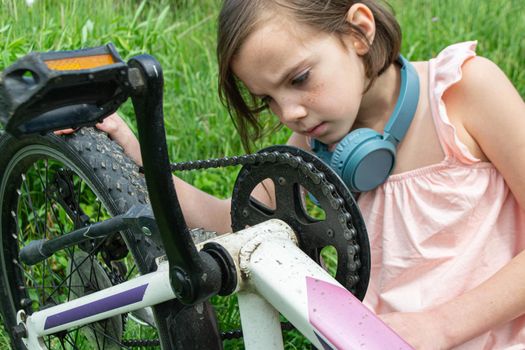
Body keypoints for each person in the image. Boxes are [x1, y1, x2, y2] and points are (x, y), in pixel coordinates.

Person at [58, 0, 525, 348]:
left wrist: (438, 326)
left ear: (358, 33)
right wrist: (133, 150)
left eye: (299, 78)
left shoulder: (463, 93)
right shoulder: (312, 146)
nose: (290, 113)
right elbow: (232, 219)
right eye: (268, 99)